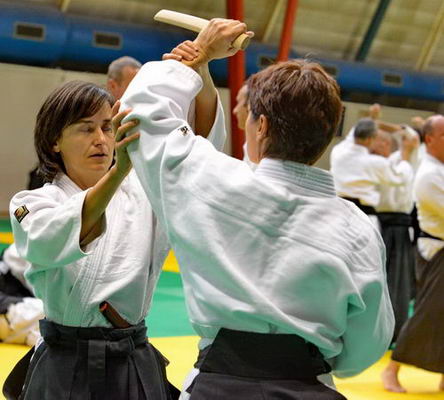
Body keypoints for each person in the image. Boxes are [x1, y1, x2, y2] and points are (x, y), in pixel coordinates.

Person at [119, 18, 394, 399]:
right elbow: (367, 346)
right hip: (312, 386)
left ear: (261, 125)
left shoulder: (212, 182)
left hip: (217, 386)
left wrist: (198, 53)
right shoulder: (358, 229)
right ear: (328, 135)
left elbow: (141, 114)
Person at [6, 44, 226, 398]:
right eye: (85, 129)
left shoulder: (145, 192)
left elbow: (198, 150)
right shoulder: (33, 202)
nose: (101, 140)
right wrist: (120, 170)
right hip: (65, 363)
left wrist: (200, 71)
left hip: (131, 359)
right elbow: (52, 239)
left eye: (108, 128)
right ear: (54, 141)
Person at [382, 115, 444, 393]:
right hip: (437, 252)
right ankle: (391, 369)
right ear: (428, 139)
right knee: (426, 315)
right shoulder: (428, 174)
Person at [371, 129, 419, 342]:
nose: (379, 144)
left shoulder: (398, 162)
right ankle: (374, 330)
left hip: (398, 225)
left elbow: (412, 138)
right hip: (380, 222)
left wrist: (404, 146)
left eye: (384, 141)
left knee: (397, 282)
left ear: (390, 145)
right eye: (376, 140)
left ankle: (393, 331)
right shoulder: (369, 163)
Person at [331, 118, 415, 226]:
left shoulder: (338, 151)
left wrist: (374, 122)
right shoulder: (376, 163)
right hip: (363, 217)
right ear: (370, 139)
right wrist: (406, 154)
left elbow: (356, 130)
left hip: (337, 212)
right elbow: (401, 177)